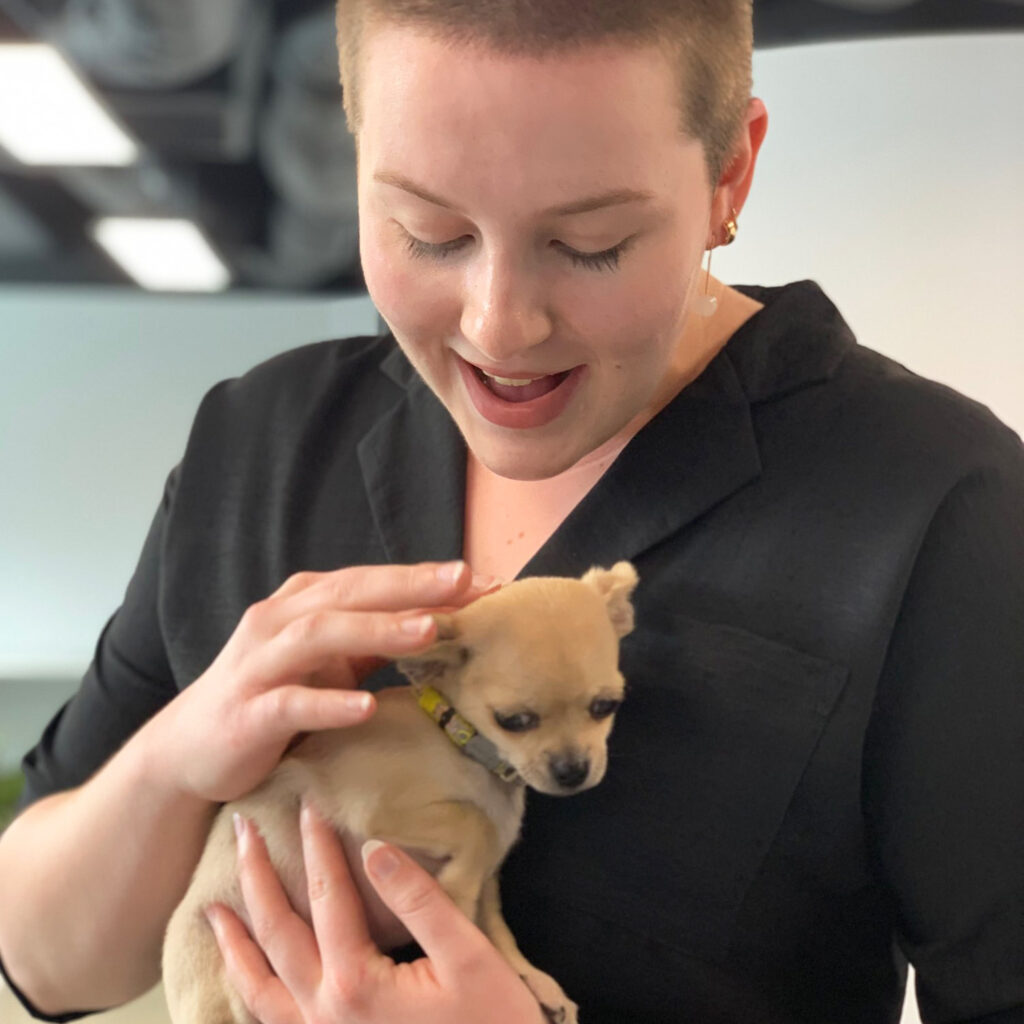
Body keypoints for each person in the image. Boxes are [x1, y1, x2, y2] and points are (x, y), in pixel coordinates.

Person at [1, 1, 1021, 1022]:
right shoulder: (260, 436)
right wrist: (176, 762)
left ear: (730, 177)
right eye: (427, 231)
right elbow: (39, 960)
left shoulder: (940, 505)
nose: (499, 326)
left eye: (590, 243)